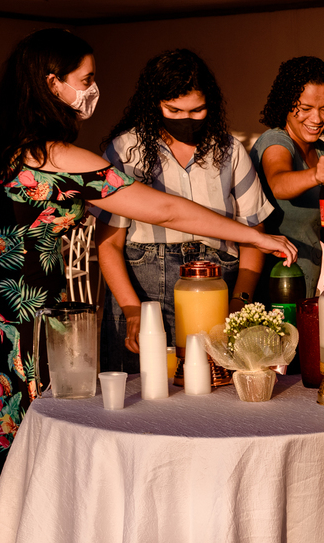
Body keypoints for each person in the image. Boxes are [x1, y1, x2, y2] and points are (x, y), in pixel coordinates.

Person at [0, 29, 295, 488]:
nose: (91, 89)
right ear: (52, 85)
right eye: (86, 79)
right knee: (39, 447)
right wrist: (252, 237)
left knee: (2, 453)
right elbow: (164, 208)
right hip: (22, 317)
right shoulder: (64, 159)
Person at [96, 49, 275, 372]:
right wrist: (131, 308)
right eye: (174, 110)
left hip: (219, 290)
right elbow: (109, 243)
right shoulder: (125, 150)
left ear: (212, 105)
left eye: (197, 110)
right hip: (143, 293)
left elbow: (254, 235)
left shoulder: (231, 151)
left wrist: (240, 301)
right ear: (154, 104)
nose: (186, 120)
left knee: (214, 394)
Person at [250, 56, 324, 298]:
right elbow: (279, 183)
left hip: (305, 280)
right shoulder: (276, 141)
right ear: (286, 103)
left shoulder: (321, 150)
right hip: (274, 284)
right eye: (305, 109)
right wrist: (317, 174)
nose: (316, 119)